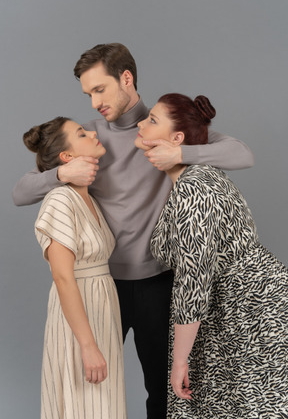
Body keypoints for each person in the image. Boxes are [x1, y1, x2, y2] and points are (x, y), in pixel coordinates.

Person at [13, 43, 255, 419]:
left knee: (163, 390)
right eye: (87, 94)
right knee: (90, 387)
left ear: (126, 79)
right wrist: (61, 174)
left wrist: (181, 154)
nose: (94, 103)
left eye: (100, 89)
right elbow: (19, 192)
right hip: (102, 286)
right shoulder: (88, 139)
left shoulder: (159, 131)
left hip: (158, 284)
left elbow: (242, 154)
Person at [135, 93, 288, 418]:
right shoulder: (197, 177)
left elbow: (193, 282)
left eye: (151, 120)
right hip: (233, 309)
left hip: (248, 314)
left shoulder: (195, 188)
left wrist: (178, 360)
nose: (140, 123)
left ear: (176, 139)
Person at [23, 117, 127, 419]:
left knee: (103, 405)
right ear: (67, 157)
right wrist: (87, 344)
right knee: (82, 405)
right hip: (78, 320)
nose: (93, 132)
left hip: (101, 313)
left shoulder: (88, 199)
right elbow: (63, 277)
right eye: (82, 133)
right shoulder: (60, 201)